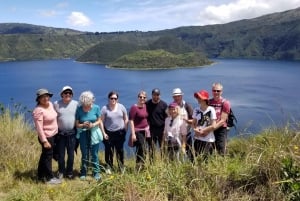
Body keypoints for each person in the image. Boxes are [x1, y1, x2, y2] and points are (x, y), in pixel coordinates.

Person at [75, 91, 108, 181]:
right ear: (83, 101)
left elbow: (99, 120)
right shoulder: (79, 109)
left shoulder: (96, 108)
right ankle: (83, 172)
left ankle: (96, 172)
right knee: (84, 154)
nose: (89, 104)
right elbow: (77, 124)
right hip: (83, 133)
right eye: (87, 103)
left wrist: (93, 125)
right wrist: (83, 125)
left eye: (90, 102)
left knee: (94, 154)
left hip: (94, 133)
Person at [32, 88, 61, 184]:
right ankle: (49, 178)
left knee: (44, 156)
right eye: (42, 97)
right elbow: (39, 128)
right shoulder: (38, 110)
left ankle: (40, 175)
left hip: (53, 134)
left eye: (47, 96)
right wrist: (44, 141)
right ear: (39, 99)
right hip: (47, 137)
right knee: (48, 157)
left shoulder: (50, 105)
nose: (45, 98)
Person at [53, 86, 78, 179]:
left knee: (71, 155)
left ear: (72, 95)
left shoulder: (76, 104)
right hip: (60, 134)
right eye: (66, 93)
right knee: (61, 155)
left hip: (72, 134)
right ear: (62, 94)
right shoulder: (56, 104)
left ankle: (70, 171)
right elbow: (52, 116)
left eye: (70, 93)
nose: (68, 94)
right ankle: (61, 171)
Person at [101, 91, 128, 174]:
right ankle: (109, 166)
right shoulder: (105, 108)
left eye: (115, 98)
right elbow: (101, 121)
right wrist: (103, 133)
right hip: (108, 133)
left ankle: (121, 166)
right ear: (109, 99)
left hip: (120, 133)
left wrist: (125, 129)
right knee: (109, 151)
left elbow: (126, 118)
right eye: (111, 98)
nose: (113, 100)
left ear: (117, 99)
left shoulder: (121, 107)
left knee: (120, 150)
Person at [192, 90, 217, 161]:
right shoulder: (196, 109)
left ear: (205, 99)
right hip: (198, 139)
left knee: (206, 161)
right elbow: (193, 123)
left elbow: (214, 125)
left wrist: (202, 131)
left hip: (208, 140)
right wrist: (195, 130)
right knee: (196, 160)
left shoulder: (211, 109)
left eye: (200, 97)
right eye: (198, 97)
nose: (198, 99)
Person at [129, 90, 150, 170]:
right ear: (138, 97)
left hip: (146, 130)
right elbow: (131, 120)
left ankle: (142, 165)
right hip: (138, 131)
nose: (142, 98)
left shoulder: (145, 106)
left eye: (144, 97)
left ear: (146, 98)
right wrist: (133, 134)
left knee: (143, 149)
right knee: (142, 147)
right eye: (140, 97)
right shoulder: (134, 107)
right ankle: (138, 166)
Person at [172, 88, 194, 162]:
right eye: (175, 96)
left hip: (187, 135)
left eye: (178, 96)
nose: (177, 98)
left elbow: (194, 120)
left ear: (181, 96)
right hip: (176, 136)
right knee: (176, 155)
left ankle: (191, 167)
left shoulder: (187, 106)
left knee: (189, 153)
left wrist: (187, 121)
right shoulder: (171, 107)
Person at [209, 82, 231, 156]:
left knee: (221, 149)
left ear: (221, 92)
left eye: (218, 91)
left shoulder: (225, 103)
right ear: (212, 91)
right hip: (211, 128)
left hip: (221, 129)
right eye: (214, 90)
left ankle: (223, 165)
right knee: (209, 149)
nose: (216, 92)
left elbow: (222, 120)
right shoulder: (209, 102)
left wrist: (213, 128)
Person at [146, 88, 168, 161]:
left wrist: (166, 130)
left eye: (157, 95)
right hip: (151, 130)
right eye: (154, 95)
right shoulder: (147, 104)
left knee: (163, 149)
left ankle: (164, 164)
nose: (156, 96)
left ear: (160, 95)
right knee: (151, 149)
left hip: (161, 130)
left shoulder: (164, 105)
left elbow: (167, 118)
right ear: (152, 95)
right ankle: (152, 165)